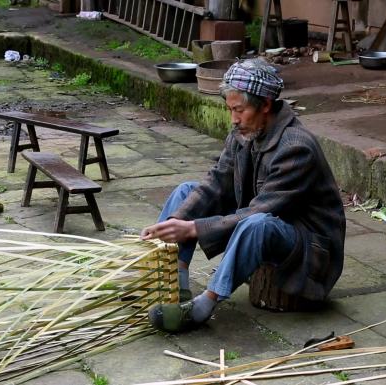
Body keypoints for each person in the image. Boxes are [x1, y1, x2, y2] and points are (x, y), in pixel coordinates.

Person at [142, 58, 345, 333]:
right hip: (264, 221)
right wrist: (174, 224)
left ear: (265, 105)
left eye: (240, 110)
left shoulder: (297, 147)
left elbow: (261, 210)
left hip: (308, 251)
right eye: (230, 110)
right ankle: (174, 285)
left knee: (257, 223)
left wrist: (192, 228)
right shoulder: (243, 132)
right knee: (187, 191)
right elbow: (215, 182)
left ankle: (205, 306)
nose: (234, 119)